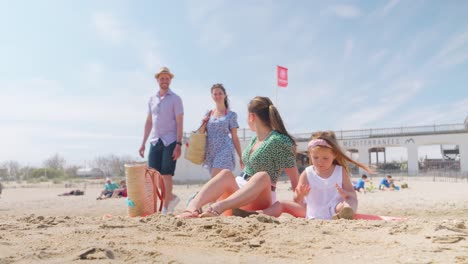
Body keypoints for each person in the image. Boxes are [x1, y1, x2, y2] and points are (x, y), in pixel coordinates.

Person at [177, 96, 299, 218]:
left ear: (251, 116)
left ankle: (218, 207)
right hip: (238, 192)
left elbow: (295, 179)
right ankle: (191, 209)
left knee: (262, 176)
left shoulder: (279, 140)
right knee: (225, 173)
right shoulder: (254, 139)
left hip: (259, 195)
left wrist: (301, 203)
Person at [238, 131, 372, 220]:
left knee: (350, 202)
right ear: (310, 155)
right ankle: (256, 215)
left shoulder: (339, 171)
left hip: (334, 210)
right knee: (282, 204)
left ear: (334, 155)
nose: (320, 162)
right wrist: (300, 195)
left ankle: (347, 213)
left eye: (325, 158)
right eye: (316, 157)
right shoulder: (307, 173)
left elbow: (351, 193)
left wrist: (345, 195)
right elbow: (296, 200)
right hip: (310, 211)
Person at [139, 67, 184, 214]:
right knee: (153, 176)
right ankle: (171, 197)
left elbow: (179, 122)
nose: (164, 80)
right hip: (154, 140)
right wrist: (143, 143)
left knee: (166, 174)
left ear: (170, 80)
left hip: (170, 140)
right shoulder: (152, 99)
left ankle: (165, 208)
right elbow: (148, 122)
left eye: (167, 78)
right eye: (162, 78)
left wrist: (178, 144)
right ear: (157, 80)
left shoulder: (176, 99)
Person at [201, 83, 243, 177]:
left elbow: (235, 137)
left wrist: (241, 156)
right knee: (220, 183)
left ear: (225, 95)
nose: (217, 96)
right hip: (211, 151)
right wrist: (203, 122)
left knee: (215, 179)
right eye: (215, 94)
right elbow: (201, 132)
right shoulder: (209, 113)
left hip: (225, 149)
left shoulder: (231, 115)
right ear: (212, 96)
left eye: (220, 93)